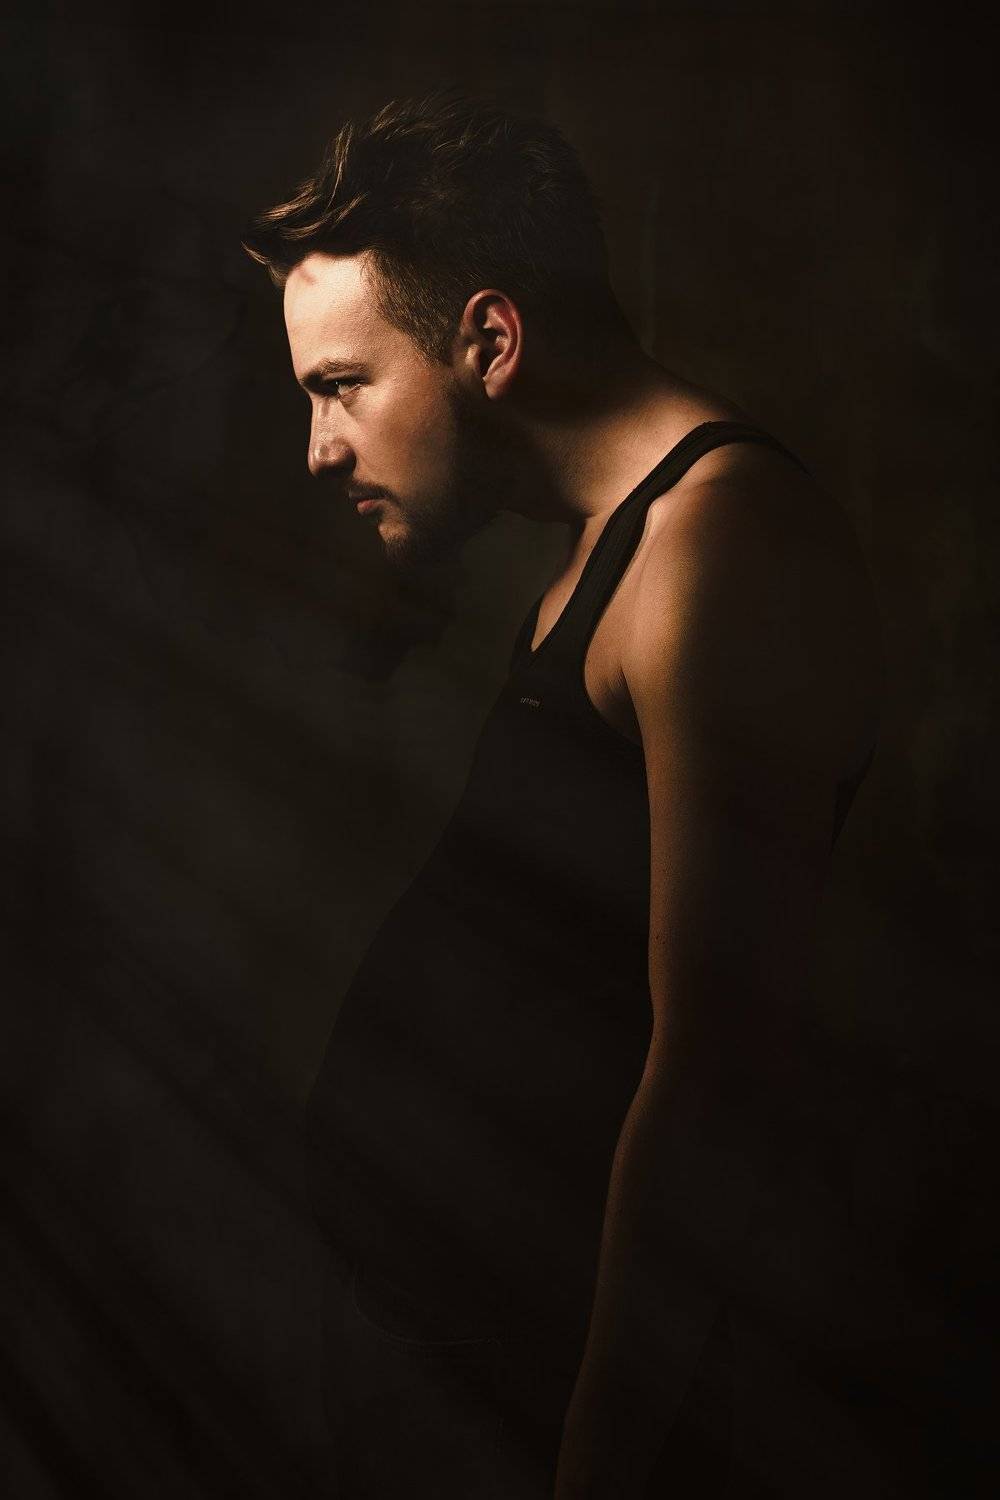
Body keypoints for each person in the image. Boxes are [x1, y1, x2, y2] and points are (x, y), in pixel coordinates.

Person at [244, 93, 881, 1499]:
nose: (320, 448)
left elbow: (717, 1079)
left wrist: (595, 1468)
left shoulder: (719, 548)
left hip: (542, 1418)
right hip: (433, 1363)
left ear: (489, 340)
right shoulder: (606, 537)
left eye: (341, 386)